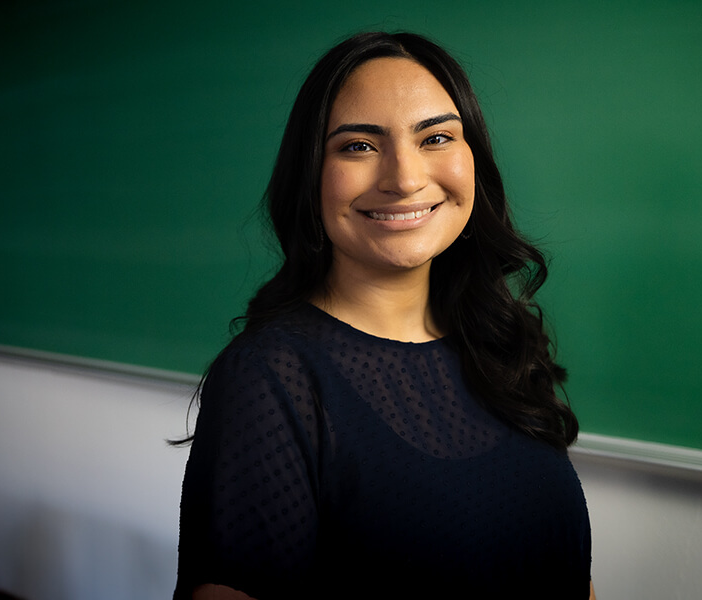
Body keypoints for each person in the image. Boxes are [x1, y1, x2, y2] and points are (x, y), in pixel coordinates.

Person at [174, 32, 593, 600]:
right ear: (311, 175)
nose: (403, 178)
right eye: (358, 146)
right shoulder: (269, 378)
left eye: (436, 137)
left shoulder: (500, 343)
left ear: (474, 161)